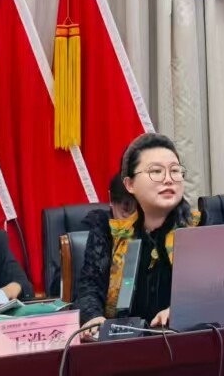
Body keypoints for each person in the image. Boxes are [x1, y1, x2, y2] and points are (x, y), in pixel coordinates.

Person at [74, 133, 199, 334]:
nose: (168, 179)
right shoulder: (112, 231)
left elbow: (218, 292)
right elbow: (89, 288)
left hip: (185, 340)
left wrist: (183, 311)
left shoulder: (202, 227)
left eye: (175, 171)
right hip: (124, 343)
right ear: (130, 184)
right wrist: (93, 317)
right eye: (156, 171)